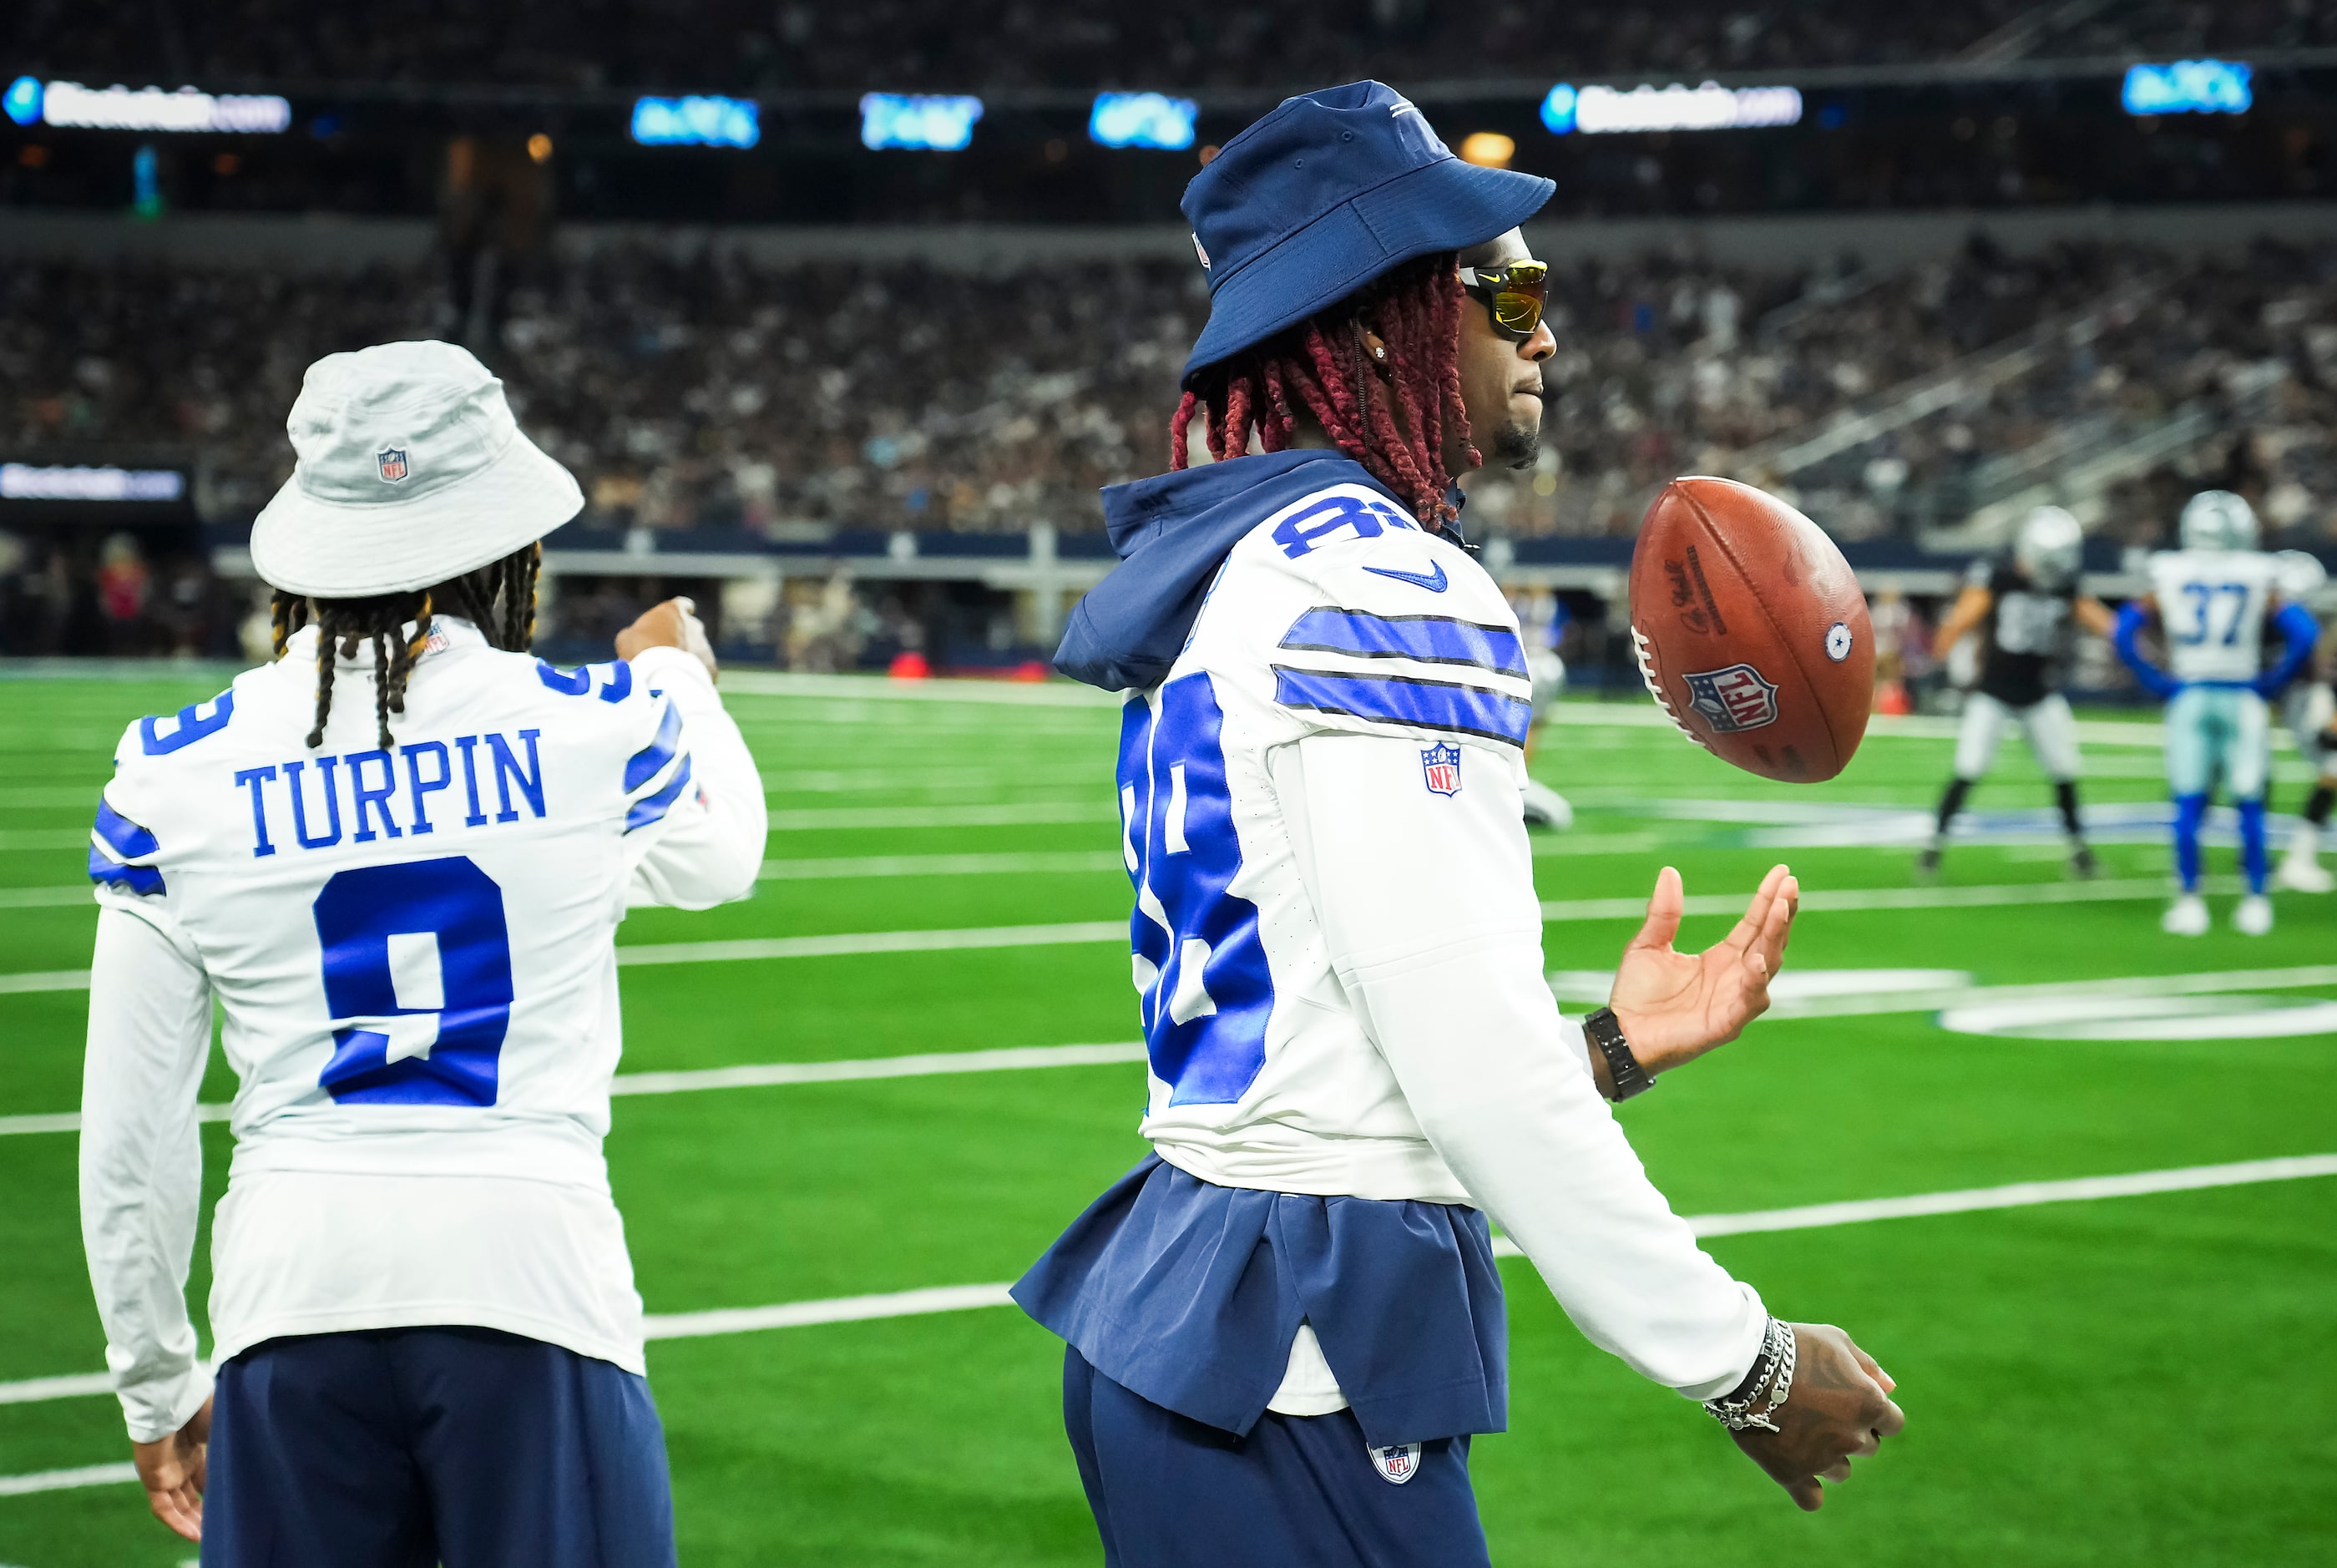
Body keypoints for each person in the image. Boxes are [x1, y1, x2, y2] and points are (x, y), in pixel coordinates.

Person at [1017, 82, 1905, 1567]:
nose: (1540, 324)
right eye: (1502, 285)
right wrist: (1738, 1360)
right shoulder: (1384, 585)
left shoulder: (1239, 568)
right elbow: (1470, 1074)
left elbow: (1332, 1046)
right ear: (1379, 320)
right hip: (1299, 1364)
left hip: (1190, 1314)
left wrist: (1605, 1052)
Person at [78, 341, 767, 1565]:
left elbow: (130, 1133)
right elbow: (722, 857)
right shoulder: (592, 733)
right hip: (531, 1278)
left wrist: (152, 1378)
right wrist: (675, 670)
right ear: (508, 545)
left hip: (292, 1289)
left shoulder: (174, 772)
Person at [2115, 489, 2316, 935]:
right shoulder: (2258, 573)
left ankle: (2190, 900)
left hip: (2189, 693)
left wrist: (2154, 679)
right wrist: (2274, 680)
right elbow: (2304, 633)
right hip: (2241, 692)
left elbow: (2124, 631)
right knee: (2249, 802)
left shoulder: (2169, 569)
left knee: (2187, 801)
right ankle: (2255, 900)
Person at [1917, 506, 2113, 880]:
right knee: (1969, 767)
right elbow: (1962, 617)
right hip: (1994, 691)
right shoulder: (1999, 577)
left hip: (2039, 692)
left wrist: (2135, 639)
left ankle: (2079, 851)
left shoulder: (2064, 583)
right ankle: (1933, 846)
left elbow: (2103, 622)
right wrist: (1940, 652)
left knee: (2065, 769)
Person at [2268, 549, 2337, 893]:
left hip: (2304, 699)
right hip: (2306, 701)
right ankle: (2298, 860)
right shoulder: (2295, 630)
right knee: (2333, 767)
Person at [1511, 587, 1574, 828]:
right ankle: (1518, 774)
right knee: (1528, 722)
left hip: (1534, 661)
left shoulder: (1538, 604)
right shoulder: (1527, 603)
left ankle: (1519, 773)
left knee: (1533, 722)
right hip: (1531, 661)